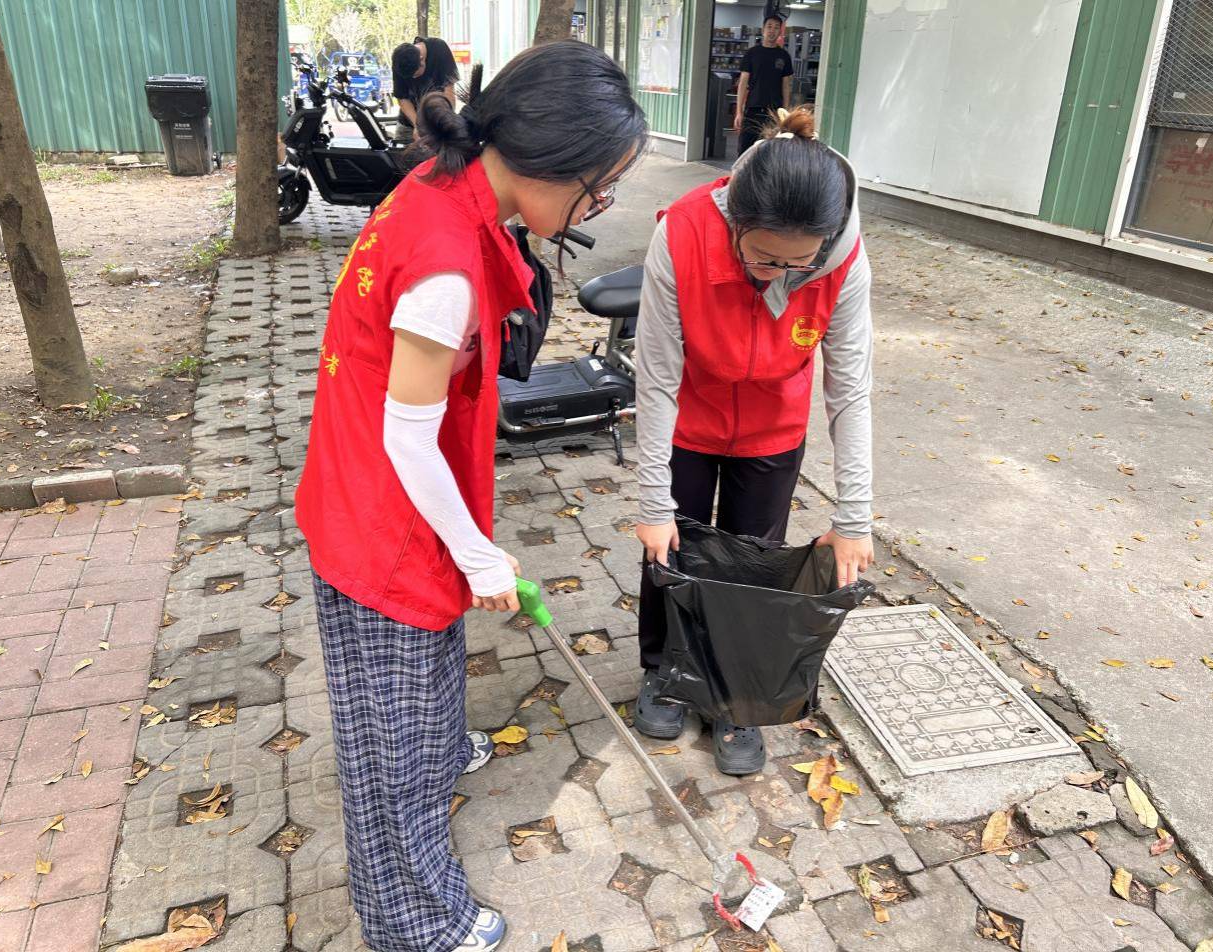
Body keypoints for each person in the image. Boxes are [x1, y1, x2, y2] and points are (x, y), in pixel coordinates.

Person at [294, 41, 646, 952]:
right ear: (550, 163)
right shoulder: (445, 264)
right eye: (601, 188)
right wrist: (480, 553)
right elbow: (406, 438)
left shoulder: (449, 183)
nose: (600, 207)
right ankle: (412, 920)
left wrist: (472, 549)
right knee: (392, 744)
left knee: (433, 663)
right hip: (382, 514)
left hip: (392, 487)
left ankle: (446, 745)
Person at [632, 107, 874, 776]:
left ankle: (734, 696)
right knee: (670, 552)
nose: (778, 274)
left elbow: (850, 390)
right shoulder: (681, 233)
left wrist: (854, 519)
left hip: (773, 429)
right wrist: (652, 502)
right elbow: (655, 377)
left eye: (799, 263)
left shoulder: (844, 258)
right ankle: (664, 671)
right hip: (687, 418)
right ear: (734, 221)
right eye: (763, 257)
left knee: (753, 567)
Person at [733, 13, 793, 155]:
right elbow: (743, 83)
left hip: (774, 112)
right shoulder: (752, 53)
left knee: (770, 152)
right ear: (763, 29)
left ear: (780, 31)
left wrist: (785, 113)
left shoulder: (784, 56)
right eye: (769, 26)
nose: (772, 30)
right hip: (753, 109)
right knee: (745, 151)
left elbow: (786, 85)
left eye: (776, 27)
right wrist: (739, 112)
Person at [392, 37, 461, 145]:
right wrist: (417, 125)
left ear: (421, 59)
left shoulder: (439, 49)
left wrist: (446, 122)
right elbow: (402, 97)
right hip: (409, 122)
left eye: (416, 74)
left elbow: (448, 90)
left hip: (437, 123)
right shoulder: (399, 60)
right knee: (397, 154)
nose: (413, 78)